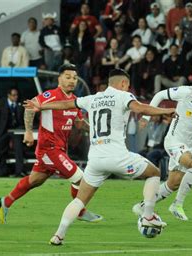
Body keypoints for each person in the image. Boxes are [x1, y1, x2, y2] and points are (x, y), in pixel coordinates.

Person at [25, 69, 175, 245]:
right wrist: (166, 111)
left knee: (80, 199)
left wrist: (41, 106)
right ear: (123, 84)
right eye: (127, 86)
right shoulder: (123, 96)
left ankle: (58, 235)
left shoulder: (92, 98)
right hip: (118, 156)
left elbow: (66, 104)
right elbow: (141, 108)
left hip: (95, 160)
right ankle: (148, 215)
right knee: (154, 173)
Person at [0, 64, 102, 224]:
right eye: (67, 77)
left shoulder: (75, 101)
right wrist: (28, 131)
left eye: (74, 78)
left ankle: (6, 202)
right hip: (49, 149)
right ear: (59, 79)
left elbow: (80, 124)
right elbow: (31, 107)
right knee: (80, 179)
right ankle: (79, 212)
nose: (72, 81)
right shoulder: (50, 96)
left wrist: (97, 130)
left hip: (60, 149)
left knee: (35, 180)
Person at [133, 69, 192, 221]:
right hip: (173, 141)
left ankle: (143, 206)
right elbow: (159, 95)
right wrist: (147, 116)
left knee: (173, 183)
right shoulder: (186, 92)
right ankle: (177, 205)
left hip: (187, 146)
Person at [0, 88, 24, 177]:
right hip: (3, 130)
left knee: (19, 149)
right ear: (8, 95)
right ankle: (2, 171)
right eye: (14, 95)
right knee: (0, 149)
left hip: (17, 130)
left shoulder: (20, 104)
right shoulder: (1, 104)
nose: (16, 97)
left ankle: (19, 172)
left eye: (17, 95)